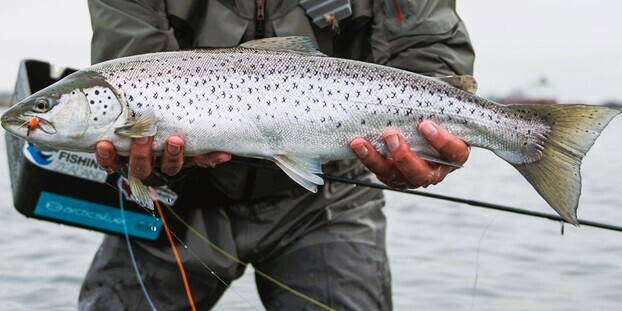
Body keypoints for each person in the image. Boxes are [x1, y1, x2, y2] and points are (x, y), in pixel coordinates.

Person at [79, 0, 474, 310]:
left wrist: (428, 139)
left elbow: (428, 50)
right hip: (176, 199)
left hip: (329, 200)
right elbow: (132, 60)